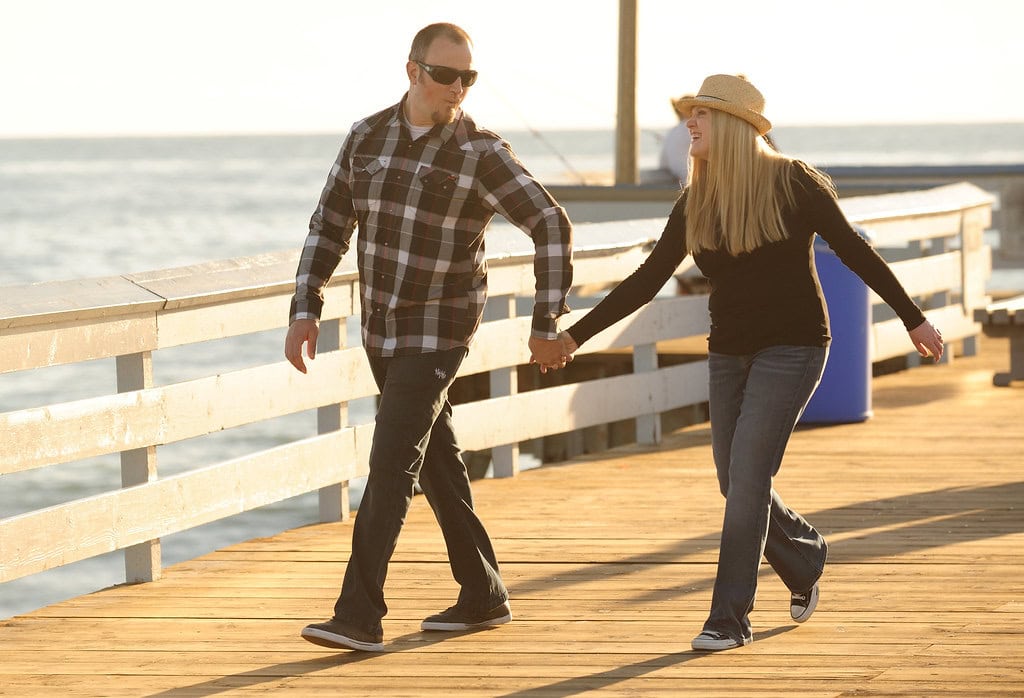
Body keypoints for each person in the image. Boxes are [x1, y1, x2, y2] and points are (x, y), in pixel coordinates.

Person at [555, 74, 943, 652]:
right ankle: (804, 553)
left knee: (747, 478)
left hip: (795, 348)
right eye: (692, 113)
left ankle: (729, 618)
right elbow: (646, 280)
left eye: (702, 115)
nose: (690, 122)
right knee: (733, 477)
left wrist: (913, 318)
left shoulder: (795, 183)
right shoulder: (697, 199)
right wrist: (573, 336)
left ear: (734, 125)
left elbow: (856, 252)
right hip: (728, 353)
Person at [284, 22, 574, 652]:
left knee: (391, 462)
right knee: (436, 458)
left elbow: (550, 222)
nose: (458, 89)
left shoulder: (480, 152)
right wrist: (304, 308)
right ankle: (483, 593)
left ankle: (359, 614)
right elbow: (328, 226)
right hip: (380, 328)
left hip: (440, 328)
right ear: (413, 71)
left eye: (469, 77)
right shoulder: (366, 137)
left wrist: (545, 320)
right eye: (447, 75)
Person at [658, 94, 693, 182]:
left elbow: (663, 163)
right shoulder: (693, 128)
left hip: (679, 179)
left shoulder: (672, 132)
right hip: (690, 179)